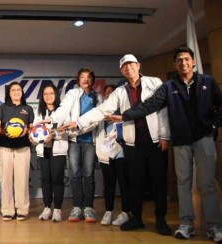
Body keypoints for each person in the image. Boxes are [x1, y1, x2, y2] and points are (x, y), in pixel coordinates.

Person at [113, 47, 222, 242]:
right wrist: (125, 116)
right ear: (175, 64)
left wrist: (213, 124)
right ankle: (186, 224)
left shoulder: (207, 81)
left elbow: (220, 106)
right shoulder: (169, 86)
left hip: (203, 139)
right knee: (183, 183)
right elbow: (151, 105)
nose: (183, 63)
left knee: (207, 184)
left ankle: (215, 226)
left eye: (186, 59)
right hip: (180, 141)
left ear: (193, 62)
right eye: (179, 60)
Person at [65, 55, 172, 235]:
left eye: (131, 64)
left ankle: (161, 220)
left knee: (158, 182)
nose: (128, 68)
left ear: (138, 66)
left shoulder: (154, 82)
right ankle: (136, 218)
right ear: (121, 71)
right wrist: (79, 122)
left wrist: (165, 136)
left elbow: (162, 110)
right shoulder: (120, 92)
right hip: (132, 143)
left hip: (155, 142)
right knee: (135, 184)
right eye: (124, 66)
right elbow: (101, 110)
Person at [47, 68, 102, 223]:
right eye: (83, 77)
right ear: (78, 80)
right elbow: (63, 110)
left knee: (89, 174)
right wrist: (51, 120)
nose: (86, 79)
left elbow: (97, 120)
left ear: (93, 80)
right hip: (74, 141)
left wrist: (80, 126)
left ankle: (88, 208)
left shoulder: (98, 97)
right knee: (75, 174)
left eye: (89, 77)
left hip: (90, 141)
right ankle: (77, 207)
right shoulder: (72, 94)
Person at [0, 81, 34, 221]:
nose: (16, 92)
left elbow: (31, 128)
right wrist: (5, 132)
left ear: (22, 92)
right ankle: (7, 210)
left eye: (18, 90)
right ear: (9, 93)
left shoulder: (28, 108)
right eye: (13, 90)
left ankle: (22, 209)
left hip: (23, 147)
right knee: (5, 180)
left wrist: (25, 131)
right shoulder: (2, 107)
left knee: (22, 180)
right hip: (4, 147)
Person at [32, 84, 68, 222]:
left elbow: (69, 130)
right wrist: (33, 138)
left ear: (56, 95)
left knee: (57, 180)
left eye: (51, 93)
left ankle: (57, 209)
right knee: (46, 180)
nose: (48, 96)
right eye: (45, 94)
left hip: (58, 150)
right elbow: (34, 129)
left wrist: (53, 134)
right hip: (43, 150)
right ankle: (47, 208)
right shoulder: (39, 111)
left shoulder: (63, 111)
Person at [95, 85, 130, 226]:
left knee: (124, 184)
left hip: (121, 153)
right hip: (105, 154)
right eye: (107, 93)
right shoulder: (100, 113)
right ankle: (108, 211)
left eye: (112, 93)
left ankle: (125, 212)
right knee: (108, 184)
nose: (109, 95)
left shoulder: (124, 111)